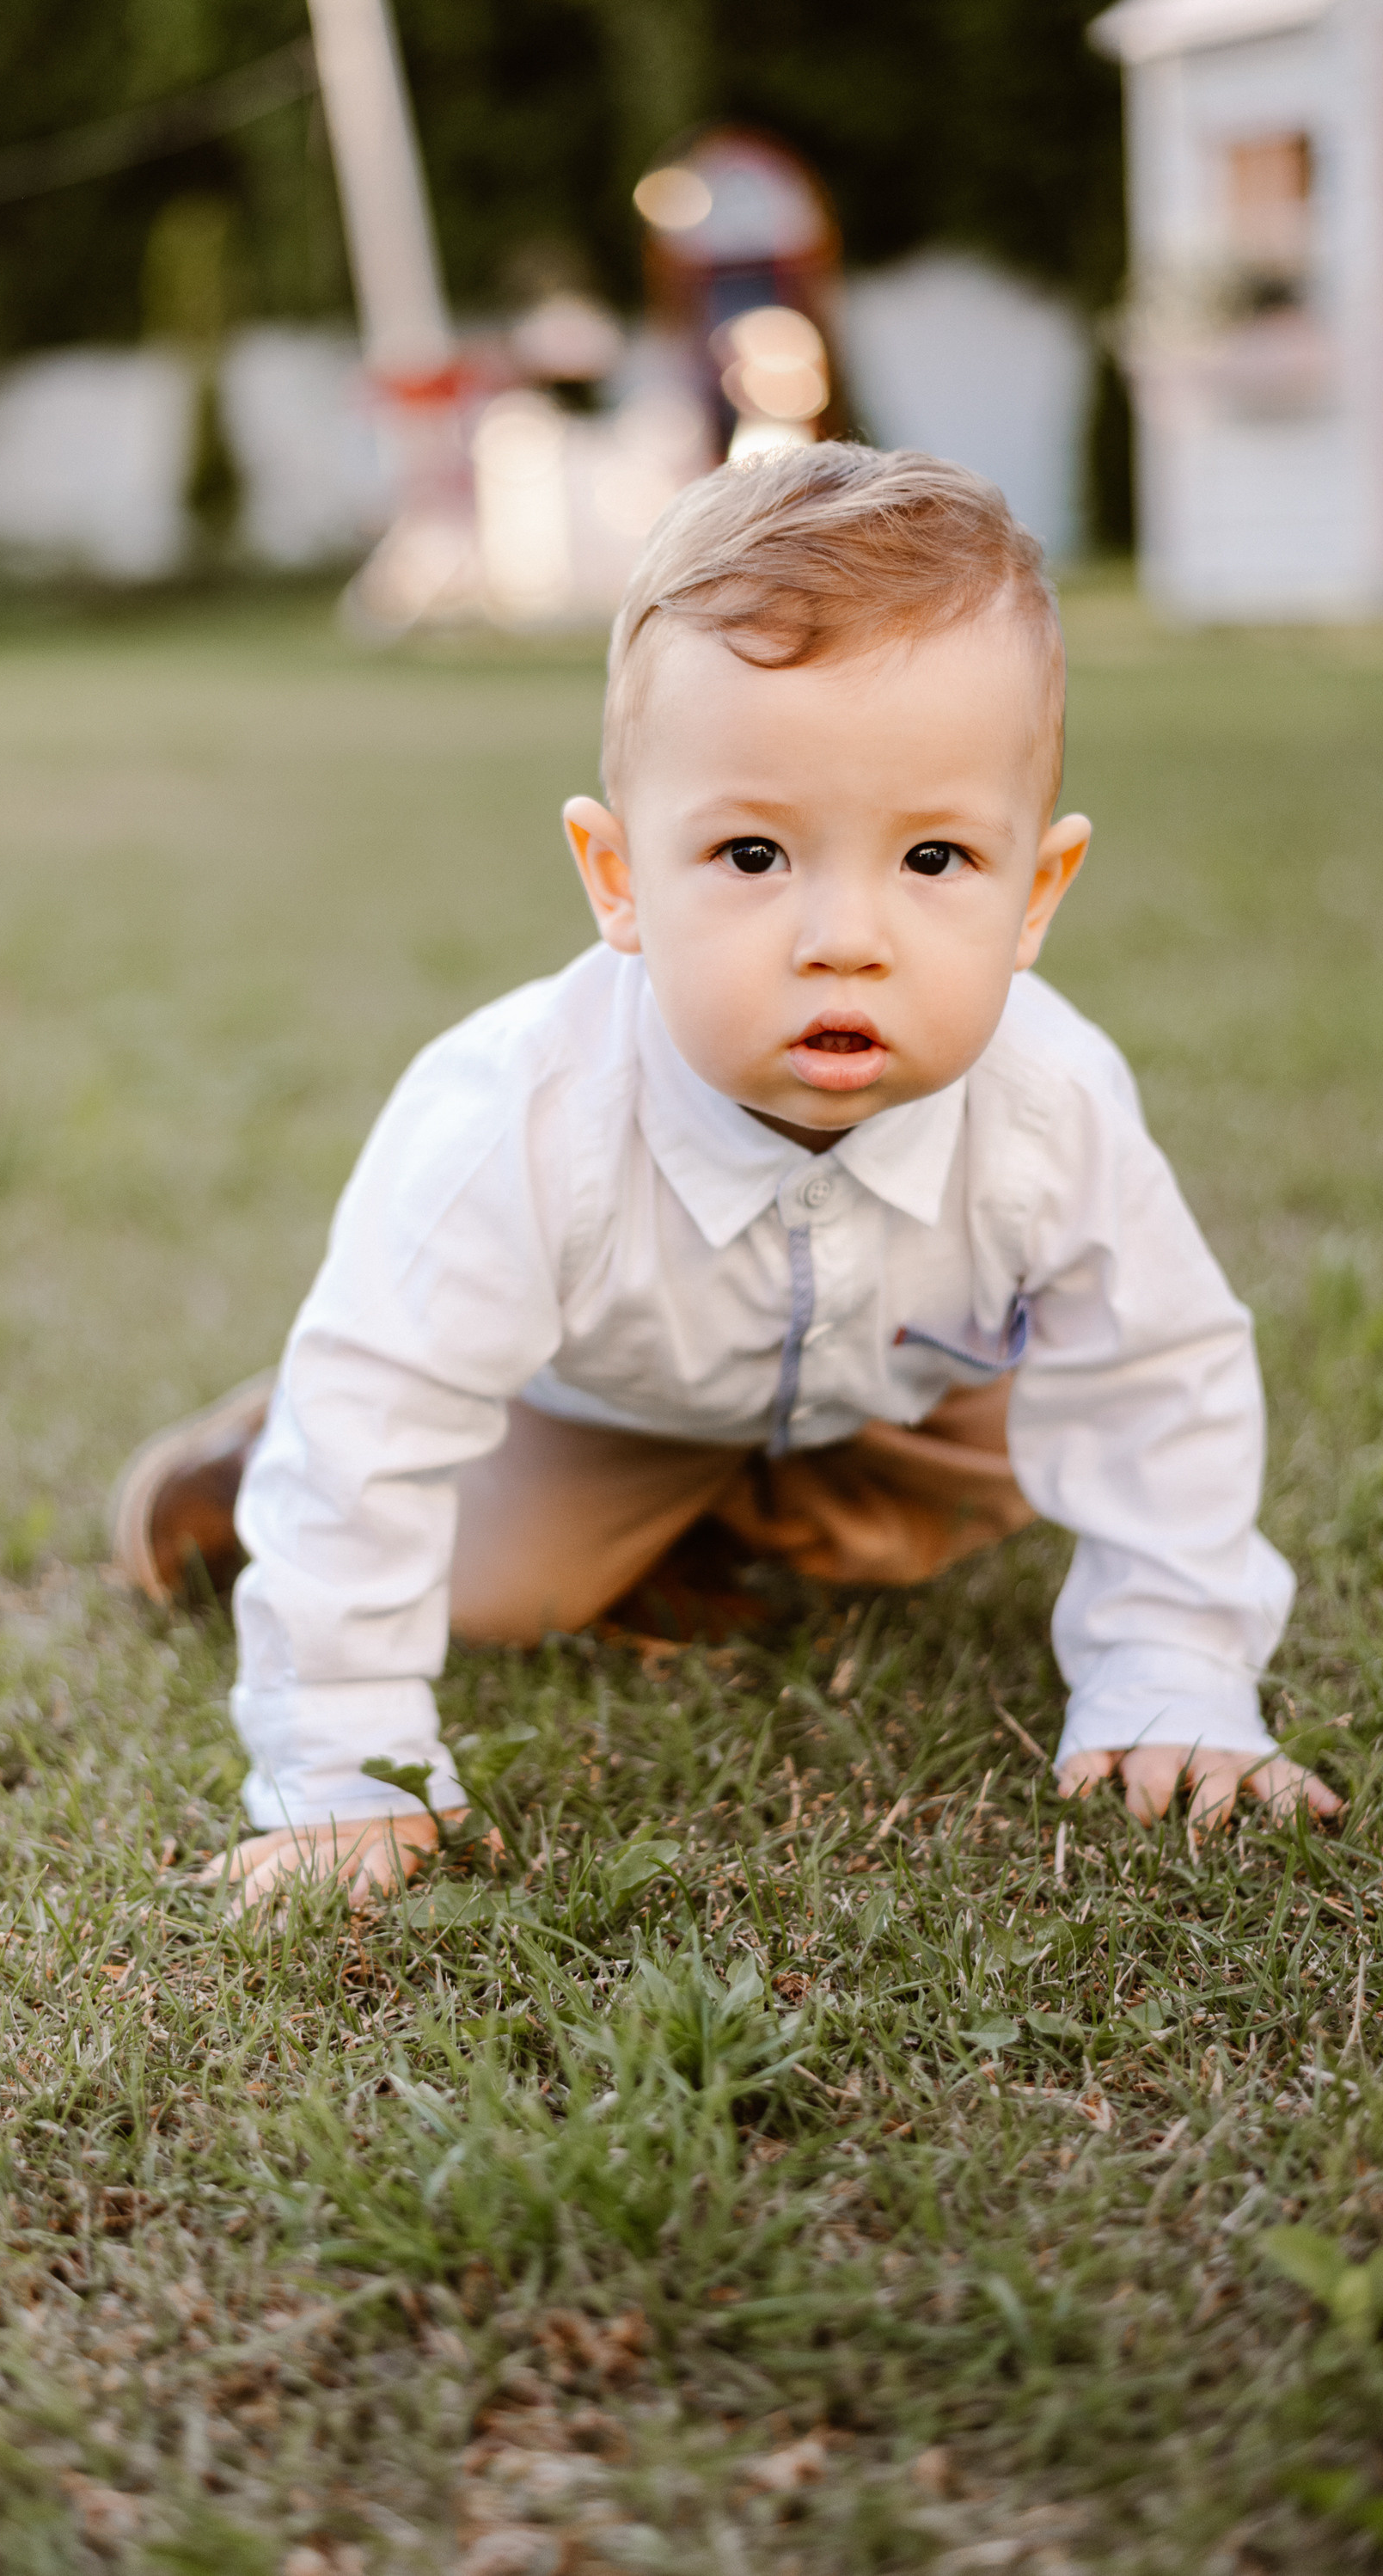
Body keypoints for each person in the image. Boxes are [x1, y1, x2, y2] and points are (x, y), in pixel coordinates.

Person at [111, 443, 1340, 1908]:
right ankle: (255, 1457)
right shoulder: (515, 1119)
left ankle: (734, 1524)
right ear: (620, 877)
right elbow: (379, 1432)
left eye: (936, 859)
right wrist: (341, 1777)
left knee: (991, 1490)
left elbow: (1162, 1377)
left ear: (1038, 893)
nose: (845, 935)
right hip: (596, 1398)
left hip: (900, 1390)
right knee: (486, 1588)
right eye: (754, 852)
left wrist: (1174, 1680)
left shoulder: (1052, 1104)